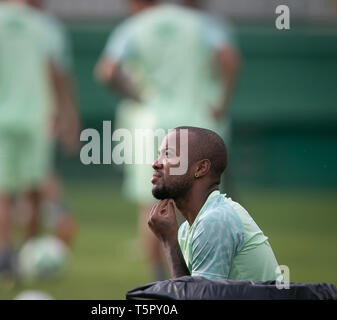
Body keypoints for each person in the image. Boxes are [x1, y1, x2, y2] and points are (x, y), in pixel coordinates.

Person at [96, 0, 240, 281]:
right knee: (202, 201)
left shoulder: (135, 25)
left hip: (152, 122)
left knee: (152, 201)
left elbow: (107, 71)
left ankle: (161, 279)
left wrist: (136, 95)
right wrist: (221, 100)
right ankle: (204, 275)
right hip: (197, 123)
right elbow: (229, 58)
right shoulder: (203, 22)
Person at [0, 0, 80, 277]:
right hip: (35, 117)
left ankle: (2, 259)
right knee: (33, 189)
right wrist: (68, 114)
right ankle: (29, 253)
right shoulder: (45, 25)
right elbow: (57, 73)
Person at [148, 127, 279, 280]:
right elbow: (192, 291)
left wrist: (170, 242)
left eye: (168, 155)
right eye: (159, 155)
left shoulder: (215, 221)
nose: (155, 163)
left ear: (201, 168)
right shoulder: (188, 228)